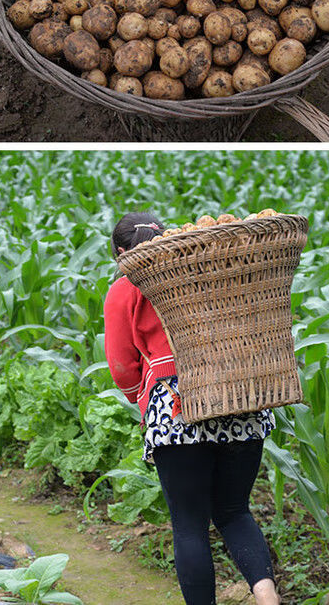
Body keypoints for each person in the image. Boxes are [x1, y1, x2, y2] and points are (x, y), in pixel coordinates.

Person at [104, 211, 280, 605]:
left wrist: (143, 398)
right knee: (235, 511)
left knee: (190, 527)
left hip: (177, 407)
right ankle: (267, 597)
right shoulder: (211, 267)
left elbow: (121, 367)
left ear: (120, 252)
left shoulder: (126, 287)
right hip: (241, 398)